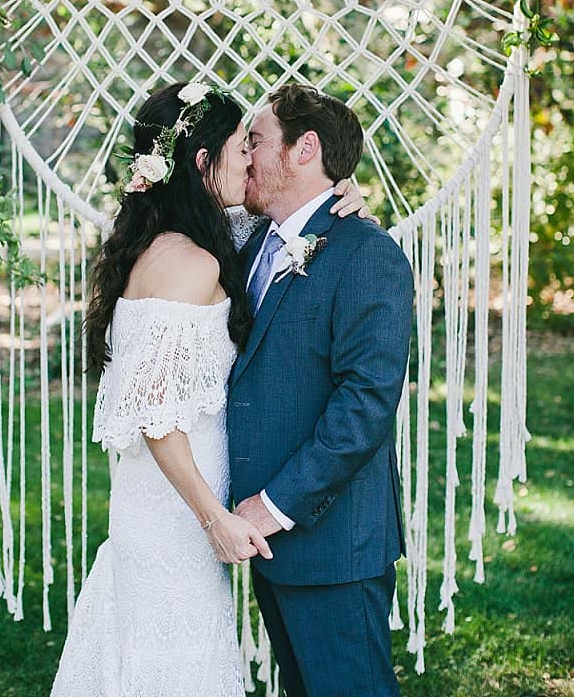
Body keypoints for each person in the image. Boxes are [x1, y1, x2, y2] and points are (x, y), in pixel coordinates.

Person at [50, 80, 371, 697]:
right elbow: (155, 416)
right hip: (180, 512)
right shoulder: (190, 264)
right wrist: (214, 518)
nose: (251, 158)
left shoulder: (179, 242)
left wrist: (339, 196)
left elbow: (282, 225)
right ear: (204, 162)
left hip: (159, 504)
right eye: (240, 148)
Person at [228, 83, 414, 697]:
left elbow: (364, 407)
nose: (246, 155)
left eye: (255, 140)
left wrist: (273, 505)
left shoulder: (366, 254)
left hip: (331, 540)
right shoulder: (251, 243)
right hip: (269, 542)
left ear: (305, 148)